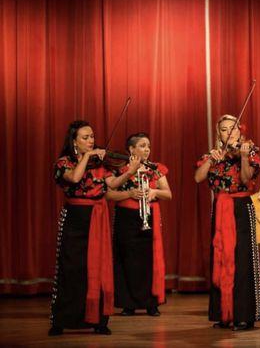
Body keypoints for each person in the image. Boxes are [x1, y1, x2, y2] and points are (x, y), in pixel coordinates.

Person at [49, 120, 135, 336]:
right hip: (75, 218)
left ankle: (98, 320)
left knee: (97, 267)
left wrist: (130, 171)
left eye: (92, 137)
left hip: (98, 217)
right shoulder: (64, 163)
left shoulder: (101, 164)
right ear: (74, 141)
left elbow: (112, 184)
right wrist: (87, 156)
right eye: (85, 137)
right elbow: (75, 178)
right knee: (71, 268)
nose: (91, 141)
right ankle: (62, 320)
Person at [194, 115, 260, 330]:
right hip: (221, 208)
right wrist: (211, 160)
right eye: (224, 130)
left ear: (240, 131)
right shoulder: (213, 154)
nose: (229, 132)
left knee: (243, 260)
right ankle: (224, 313)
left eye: (233, 128)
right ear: (219, 134)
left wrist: (243, 157)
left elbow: (246, 179)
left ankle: (246, 315)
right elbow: (198, 178)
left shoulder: (250, 152)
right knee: (221, 257)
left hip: (242, 208)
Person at [109, 132, 172, 317]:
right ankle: (128, 304)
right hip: (126, 217)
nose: (147, 149)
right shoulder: (120, 168)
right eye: (142, 146)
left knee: (148, 260)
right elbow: (108, 194)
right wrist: (129, 194)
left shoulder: (155, 168)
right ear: (131, 149)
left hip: (148, 216)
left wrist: (153, 192)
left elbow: (168, 193)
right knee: (127, 259)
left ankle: (151, 303)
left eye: (148, 146)